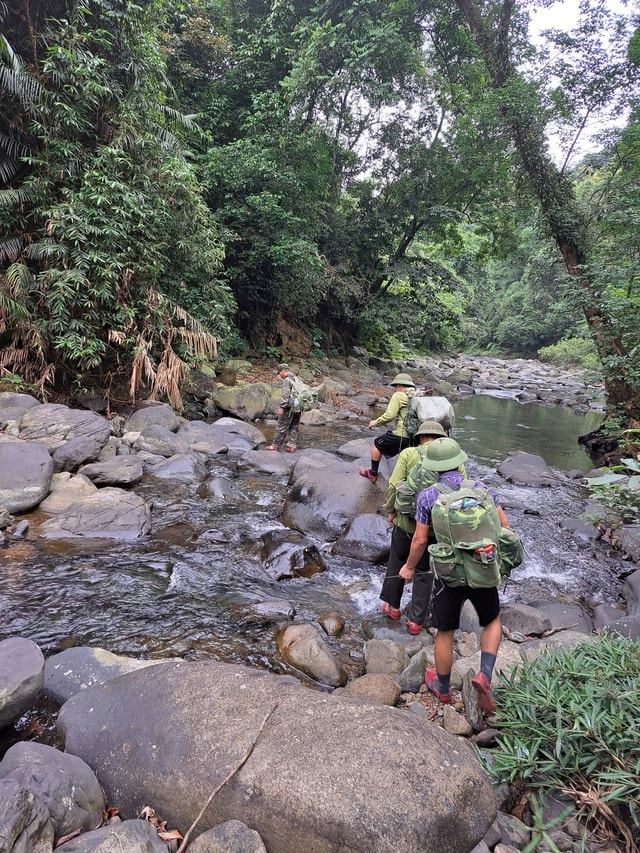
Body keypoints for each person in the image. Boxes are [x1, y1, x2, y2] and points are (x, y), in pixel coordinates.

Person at [398, 437, 510, 713]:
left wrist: (409, 567)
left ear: (433, 467)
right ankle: (484, 674)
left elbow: (420, 540)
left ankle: (443, 688)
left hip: (449, 574)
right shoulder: (483, 489)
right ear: (460, 462)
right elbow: (504, 528)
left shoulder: (427, 497)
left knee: (445, 633)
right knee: (491, 621)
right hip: (482, 567)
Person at [379, 420, 450, 635]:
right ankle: (416, 621)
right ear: (442, 439)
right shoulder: (451, 458)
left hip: (405, 522)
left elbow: (394, 484)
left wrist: (391, 510)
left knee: (397, 560)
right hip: (434, 527)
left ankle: (393, 607)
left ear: (420, 437)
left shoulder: (409, 453)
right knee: (424, 571)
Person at [359, 373, 415, 483]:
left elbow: (390, 415)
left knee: (377, 444)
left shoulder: (398, 395)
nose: (394, 389)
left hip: (402, 434)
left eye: (395, 387)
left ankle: (372, 473)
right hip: (415, 437)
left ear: (399, 385)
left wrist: (375, 422)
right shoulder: (417, 396)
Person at [265, 363, 300, 453]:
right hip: (298, 406)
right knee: (293, 426)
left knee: (281, 426)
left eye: (279, 372)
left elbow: (286, 395)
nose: (279, 375)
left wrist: (282, 407)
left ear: (282, 371)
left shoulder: (286, 380)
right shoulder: (296, 378)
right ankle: (292, 446)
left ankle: (275, 446)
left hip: (289, 407)